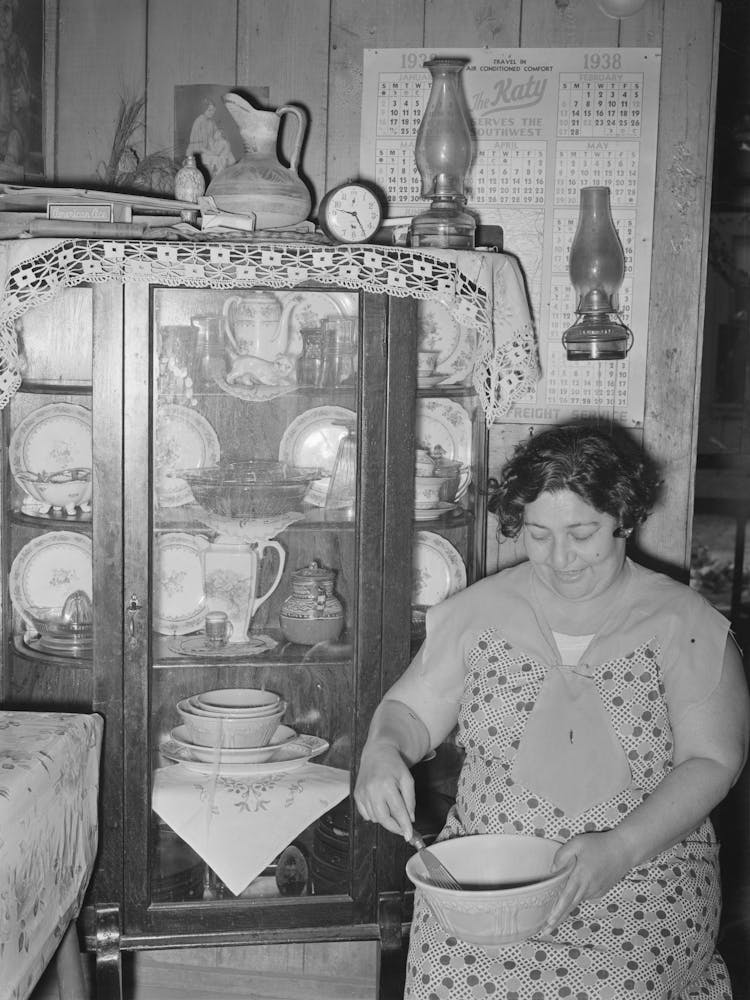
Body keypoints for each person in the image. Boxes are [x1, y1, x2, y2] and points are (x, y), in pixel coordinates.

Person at [355, 422, 750, 1000]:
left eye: (582, 533)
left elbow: (713, 760)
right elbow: (410, 714)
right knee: (449, 983)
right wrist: (382, 750)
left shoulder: (682, 622)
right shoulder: (479, 611)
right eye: (539, 535)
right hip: (488, 881)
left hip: (644, 874)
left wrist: (620, 849)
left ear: (623, 518)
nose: (561, 558)